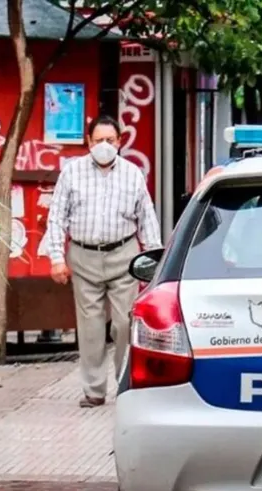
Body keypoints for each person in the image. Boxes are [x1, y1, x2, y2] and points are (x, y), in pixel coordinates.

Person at [44, 115, 161, 408]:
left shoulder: (133, 174)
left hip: (124, 256)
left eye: (110, 140)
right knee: (90, 326)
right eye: (99, 141)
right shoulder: (71, 173)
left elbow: (147, 217)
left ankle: (126, 385)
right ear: (89, 142)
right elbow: (56, 217)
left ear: (119, 142)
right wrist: (57, 258)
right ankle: (94, 390)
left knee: (124, 324)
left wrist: (154, 259)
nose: (104, 146)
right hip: (83, 257)